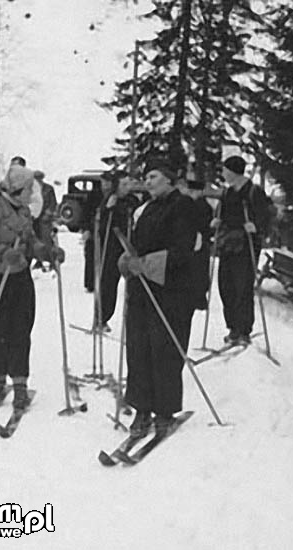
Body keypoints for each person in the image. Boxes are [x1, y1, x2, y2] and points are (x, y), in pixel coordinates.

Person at [0, 165, 65, 410]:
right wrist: (2, 253)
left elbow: (30, 240)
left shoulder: (23, 211)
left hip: (19, 277)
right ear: (17, 188)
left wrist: (45, 251)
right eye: (28, 189)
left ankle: (21, 382)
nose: (32, 194)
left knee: (21, 329)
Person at [117, 161, 197, 437]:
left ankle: (164, 411)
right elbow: (137, 247)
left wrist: (146, 264)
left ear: (169, 179)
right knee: (138, 348)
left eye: (153, 177)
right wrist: (127, 260)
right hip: (141, 291)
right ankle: (141, 408)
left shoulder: (183, 206)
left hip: (170, 291)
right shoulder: (147, 208)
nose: (147, 182)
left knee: (164, 350)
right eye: (146, 177)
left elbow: (183, 251)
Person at [212, 156, 271, 345]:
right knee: (225, 286)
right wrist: (217, 221)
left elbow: (267, 216)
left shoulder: (254, 192)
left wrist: (257, 226)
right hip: (228, 244)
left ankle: (244, 329)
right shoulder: (228, 193)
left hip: (247, 246)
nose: (223, 174)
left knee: (242, 288)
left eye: (225, 170)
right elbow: (221, 213)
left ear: (233, 171)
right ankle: (233, 328)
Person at [98, 175, 142, 328]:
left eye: (128, 183)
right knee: (108, 283)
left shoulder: (133, 201)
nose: (127, 187)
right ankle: (102, 317)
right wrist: (108, 209)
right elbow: (101, 224)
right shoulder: (110, 199)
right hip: (112, 246)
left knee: (134, 283)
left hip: (129, 245)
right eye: (123, 184)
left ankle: (133, 319)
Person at [176, 174, 213, 311]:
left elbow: (204, 225)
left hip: (199, 242)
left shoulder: (202, 206)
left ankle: (198, 297)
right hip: (192, 241)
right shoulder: (188, 204)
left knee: (198, 271)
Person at [31, 170, 58, 271]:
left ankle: (51, 261)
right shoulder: (32, 189)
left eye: (39, 178)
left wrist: (48, 213)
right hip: (34, 218)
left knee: (47, 239)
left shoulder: (48, 189)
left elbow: (52, 203)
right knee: (36, 240)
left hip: (45, 219)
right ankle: (39, 260)